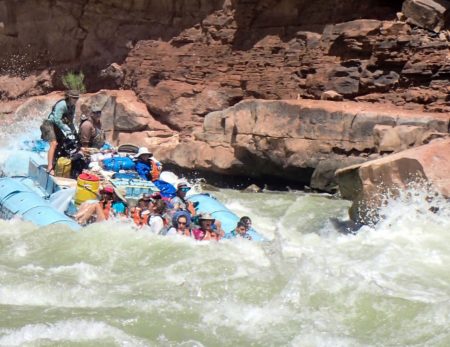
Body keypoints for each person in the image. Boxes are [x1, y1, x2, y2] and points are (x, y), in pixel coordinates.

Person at [40, 90, 79, 176]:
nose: (75, 100)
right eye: (74, 98)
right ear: (69, 97)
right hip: (49, 124)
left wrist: (74, 132)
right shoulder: (62, 105)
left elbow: (70, 122)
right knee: (54, 144)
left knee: (63, 144)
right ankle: (49, 168)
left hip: (57, 127)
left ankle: (56, 164)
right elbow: (57, 120)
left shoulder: (72, 107)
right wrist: (66, 129)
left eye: (77, 98)